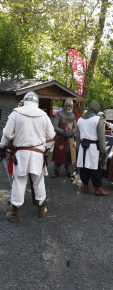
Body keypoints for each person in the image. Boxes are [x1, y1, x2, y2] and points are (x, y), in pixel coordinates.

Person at [0, 91, 56, 223]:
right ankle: (42, 207)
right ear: (36, 103)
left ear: (25, 101)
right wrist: (45, 148)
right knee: (38, 180)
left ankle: (15, 212)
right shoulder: (44, 116)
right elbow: (52, 136)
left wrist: (1, 146)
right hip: (37, 154)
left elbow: (7, 134)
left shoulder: (16, 114)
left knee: (19, 181)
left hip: (21, 154)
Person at [76, 100, 110, 196]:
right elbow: (101, 137)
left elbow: (77, 136)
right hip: (93, 148)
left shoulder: (80, 120)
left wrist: (78, 149)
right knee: (95, 168)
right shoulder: (97, 119)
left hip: (83, 147)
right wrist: (104, 151)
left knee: (84, 167)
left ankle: (85, 186)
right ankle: (98, 188)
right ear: (96, 109)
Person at [51, 98, 76, 178]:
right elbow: (55, 126)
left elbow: (76, 127)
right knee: (59, 155)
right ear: (65, 106)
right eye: (67, 106)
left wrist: (71, 132)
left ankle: (68, 171)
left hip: (70, 139)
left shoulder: (73, 115)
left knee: (68, 156)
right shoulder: (59, 114)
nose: (68, 107)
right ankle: (56, 171)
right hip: (61, 138)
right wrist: (62, 132)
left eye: (70, 106)